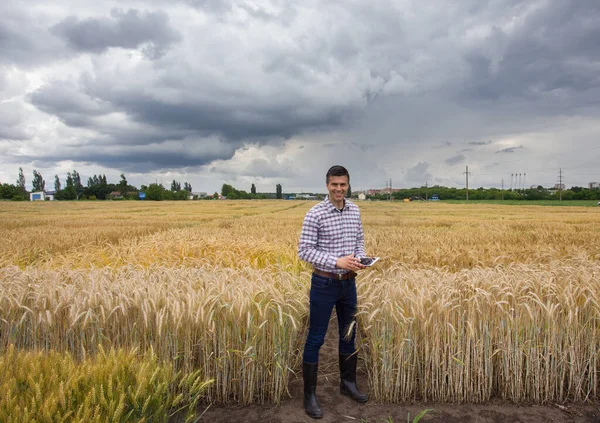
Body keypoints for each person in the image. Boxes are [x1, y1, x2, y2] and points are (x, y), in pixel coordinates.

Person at [298, 165, 369, 419]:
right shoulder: (315, 214)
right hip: (324, 283)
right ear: (327, 185)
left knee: (349, 334)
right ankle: (310, 396)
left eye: (343, 184)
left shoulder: (355, 210)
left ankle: (347, 384)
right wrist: (336, 261)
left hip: (349, 283)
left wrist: (359, 257)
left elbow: (359, 240)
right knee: (316, 337)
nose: (339, 189)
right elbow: (304, 251)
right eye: (334, 184)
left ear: (348, 185)